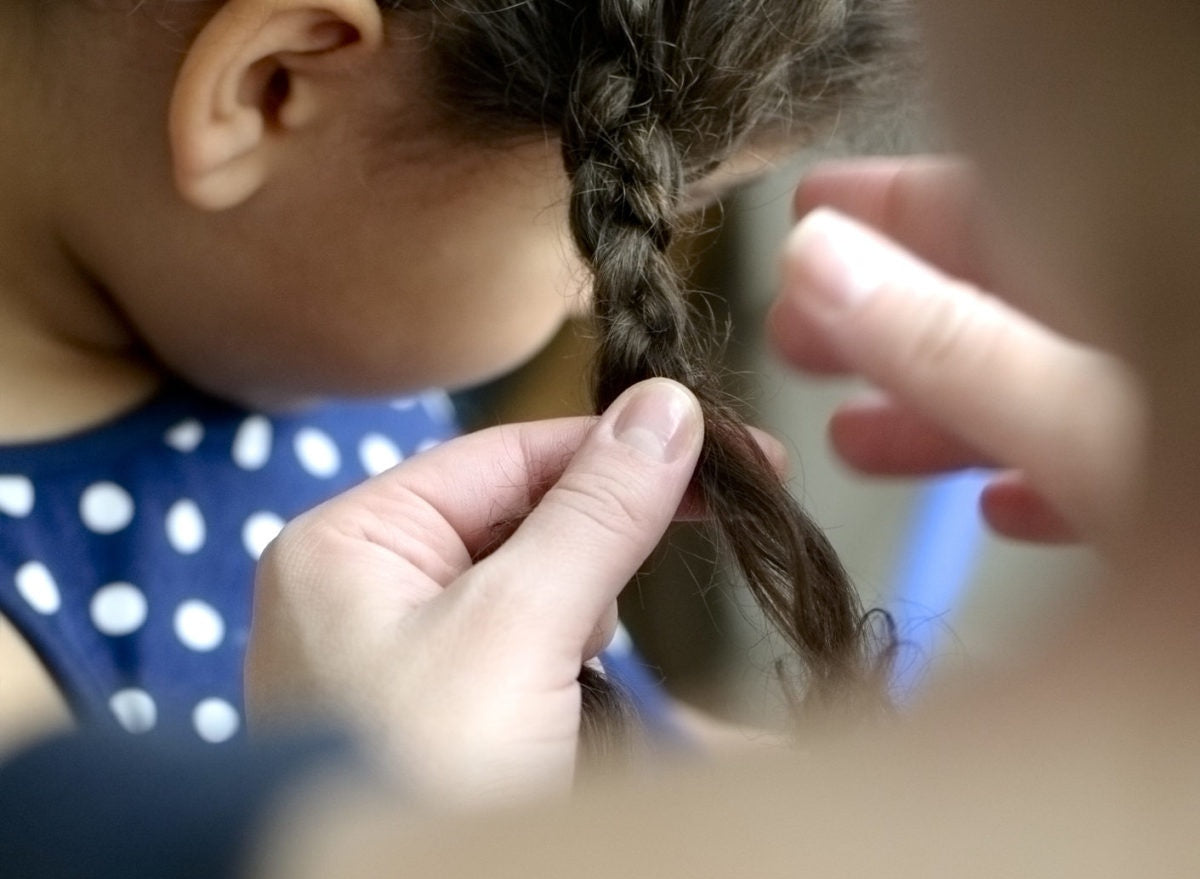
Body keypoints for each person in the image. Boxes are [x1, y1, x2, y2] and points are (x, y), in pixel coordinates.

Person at [0, 0, 894, 752]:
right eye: (601, 216)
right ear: (275, 88)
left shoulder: (315, 330)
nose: (593, 306)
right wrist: (363, 806)